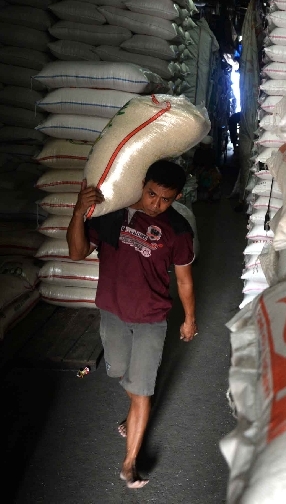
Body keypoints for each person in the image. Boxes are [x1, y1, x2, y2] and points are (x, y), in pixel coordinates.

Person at [67, 160, 197, 489]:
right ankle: (134, 401)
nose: (156, 204)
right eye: (151, 194)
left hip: (152, 317)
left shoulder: (179, 230)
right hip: (112, 311)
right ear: (143, 185)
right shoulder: (114, 214)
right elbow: (76, 253)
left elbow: (184, 281)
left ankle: (129, 464)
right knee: (117, 371)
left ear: (177, 196)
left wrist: (189, 319)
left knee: (142, 391)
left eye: (165, 199)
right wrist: (78, 212)